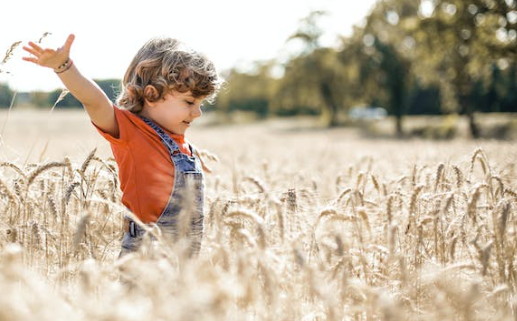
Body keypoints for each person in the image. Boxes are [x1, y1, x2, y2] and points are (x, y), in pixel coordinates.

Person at [22, 34, 222, 256]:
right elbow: (94, 101)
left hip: (184, 259)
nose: (198, 112)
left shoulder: (181, 145)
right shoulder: (131, 132)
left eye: (200, 103)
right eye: (189, 102)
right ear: (151, 94)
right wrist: (63, 66)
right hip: (145, 254)